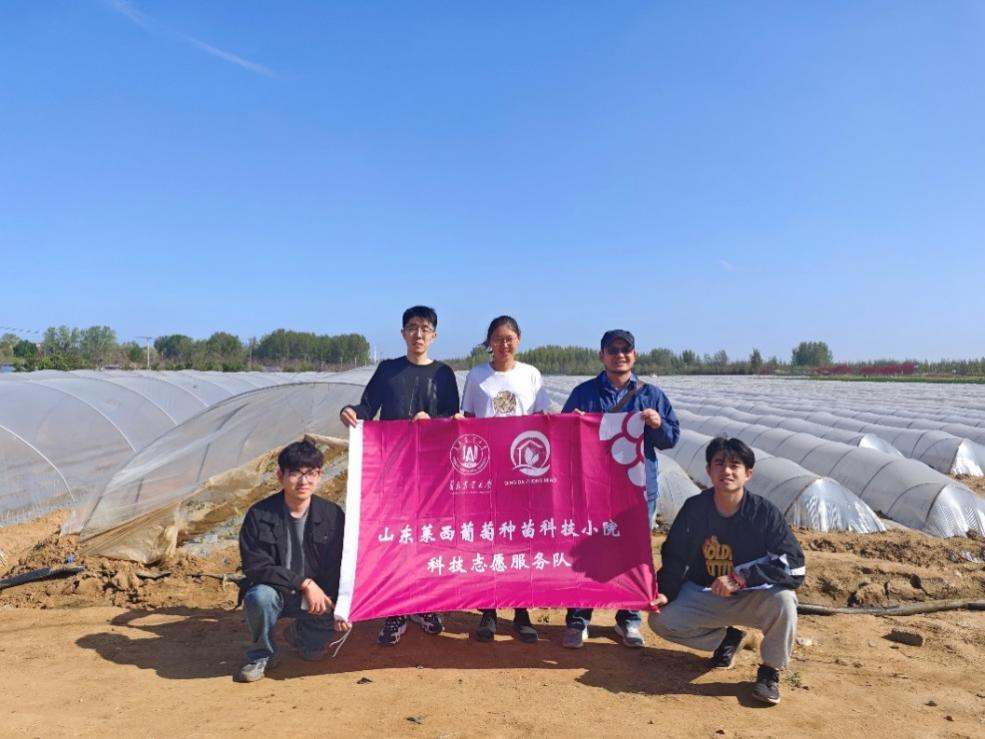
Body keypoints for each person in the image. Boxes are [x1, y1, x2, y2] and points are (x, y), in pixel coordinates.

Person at [647, 436, 805, 706]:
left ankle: (770, 671)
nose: (727, 471)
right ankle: (728, 640)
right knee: (661, 620)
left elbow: (795, 566)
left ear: (748, 474)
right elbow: (675, 557)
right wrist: (665, 592)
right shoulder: (695, 509)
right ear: (708, 470)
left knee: (785, 600)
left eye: (735, 465)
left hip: (753, 596)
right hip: (708, 594)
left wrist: (741, 578)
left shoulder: (764, 514)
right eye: (719, 463)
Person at [340, 305, 460, 646]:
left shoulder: (444, 374)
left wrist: (432, 421)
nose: (418, 334)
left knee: (428, 537)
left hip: (432, 472)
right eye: (412, 327)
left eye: (425, 328)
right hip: (394, 470)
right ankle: (396, 609)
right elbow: (367, 407)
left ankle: (425, 604)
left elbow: (452, 417)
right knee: (397, 538)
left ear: (434, 335)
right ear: (403, 333)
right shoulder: (388, 371)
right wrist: (351, 411)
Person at [560, 329, 679, 649]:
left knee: (633, 554)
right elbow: (562, 437)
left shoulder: (651, 395)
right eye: (612, 350)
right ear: (602, 356)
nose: (619, 355)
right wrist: (573, 423)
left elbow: (671, 438)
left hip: (637, 491)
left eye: (626, 350)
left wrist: (657, 424)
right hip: (593, 489)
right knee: (585, 551)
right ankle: (578, 617)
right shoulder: (584, 393)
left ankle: (628, 618)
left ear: (634, 355)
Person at [459, 315, 551, 644]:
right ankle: (488, 610)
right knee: (489, 540)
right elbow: (468, 420)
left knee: (520, 539)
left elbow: (542, 420)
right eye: (498, 339)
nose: (504, 344)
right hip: (487, 471)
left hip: (523, 472)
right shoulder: (477, 376)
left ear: (519, 340)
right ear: (489, 343)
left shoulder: (531, 375)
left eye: (509, 338)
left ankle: (521, 611)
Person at [236, 439, 349, 683]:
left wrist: (345, 606)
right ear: (281, 476)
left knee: (314, 653)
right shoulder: (259, 514)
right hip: (277, 590)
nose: (303, 481)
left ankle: (301, 633)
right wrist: (303, 583)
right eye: (295, 473)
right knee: (259, 597)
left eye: (310, 473)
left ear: (319, 475)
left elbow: (342, 564)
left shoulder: (332, 514)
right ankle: (262, 654)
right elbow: (256, 567)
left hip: (318, 596)